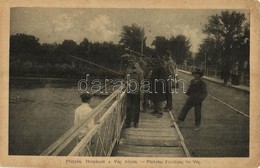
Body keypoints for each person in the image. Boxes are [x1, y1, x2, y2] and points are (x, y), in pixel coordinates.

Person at [124, 56, 143, 128]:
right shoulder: (128, 69)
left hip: (136, 92)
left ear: (135, 61)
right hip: (129, 91)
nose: (130, 63)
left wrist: (141, 94)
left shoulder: (139, 71)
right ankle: (128, 122)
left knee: (136, 108)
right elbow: (126, 79)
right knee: (128, 107)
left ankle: (136, 122)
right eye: (129, 62)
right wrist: (126, 82)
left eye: (131, 61)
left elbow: (141, 83)